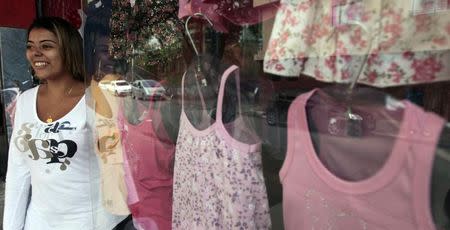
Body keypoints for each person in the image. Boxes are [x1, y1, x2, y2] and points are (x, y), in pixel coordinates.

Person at [3, 16, 126, 229]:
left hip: (90, 222)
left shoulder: (96, 99)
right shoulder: (24, 101)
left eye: (47, 46)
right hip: (38, 223)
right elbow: (17, 174)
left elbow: (119, 167)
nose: (36, 53)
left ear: (68, 50)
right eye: (30, 46)